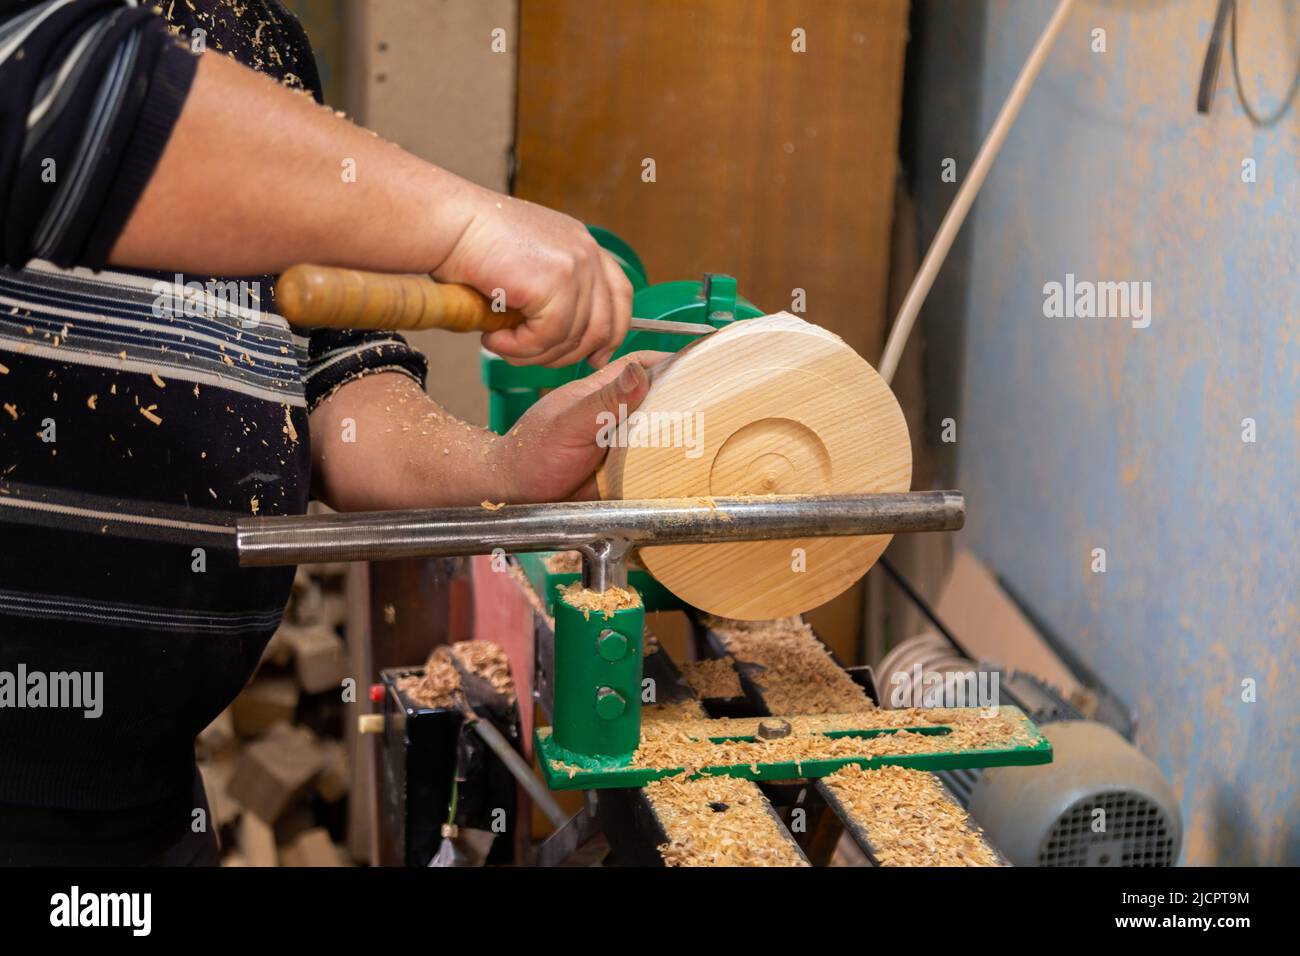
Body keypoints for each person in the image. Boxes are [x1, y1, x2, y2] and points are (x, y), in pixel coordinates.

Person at [0, 0, 661, 864]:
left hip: (141, 804)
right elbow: (68, 95)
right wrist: (464, 222)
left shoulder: (256, 37)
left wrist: (504, 468)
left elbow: (336, 387)